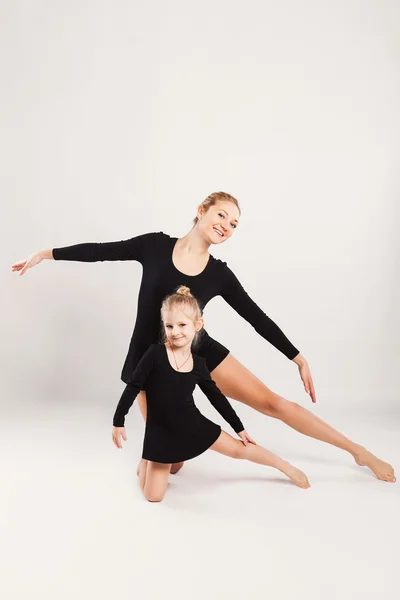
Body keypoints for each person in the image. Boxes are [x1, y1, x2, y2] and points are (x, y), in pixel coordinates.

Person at [11, 191, 395, 482]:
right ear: (202, 211)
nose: (226, 224)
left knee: (272, 403)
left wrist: (297, 357)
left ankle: (357, 451)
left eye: (234, 224)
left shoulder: (219, 274)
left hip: (198, 352)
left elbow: (255, 316)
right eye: (222, 214)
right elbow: (101, 251)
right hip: (151, 362)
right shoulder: (155, 246)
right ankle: (175, 450)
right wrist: (46, 254)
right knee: (172, 467)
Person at [112, 286, 310, 502]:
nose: (175, 331)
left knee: (238, 449)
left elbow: (216, 397)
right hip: (160, 431)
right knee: (153, 496)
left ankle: (285, 467)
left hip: (191, 424)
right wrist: (118, 421)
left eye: (182, 325)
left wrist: (239, 428)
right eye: (169, 326)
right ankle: (147, 460)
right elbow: (133, 386)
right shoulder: (154, 354)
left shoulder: (199, 364)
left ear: (198, 325)